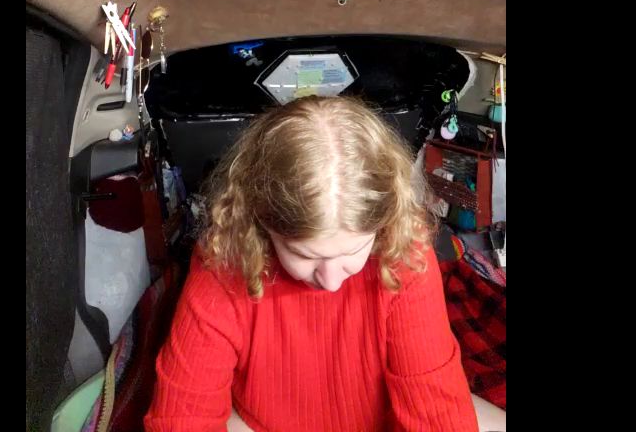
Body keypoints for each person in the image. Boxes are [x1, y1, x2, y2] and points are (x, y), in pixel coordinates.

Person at [145, 96, 502, 431]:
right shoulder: (223, 260)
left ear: (383, 225)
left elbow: (435, 406)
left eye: (352, 253)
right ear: (263, 225)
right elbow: (182, 416)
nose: (331, 281)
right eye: (305, 255)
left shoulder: (406, 251)